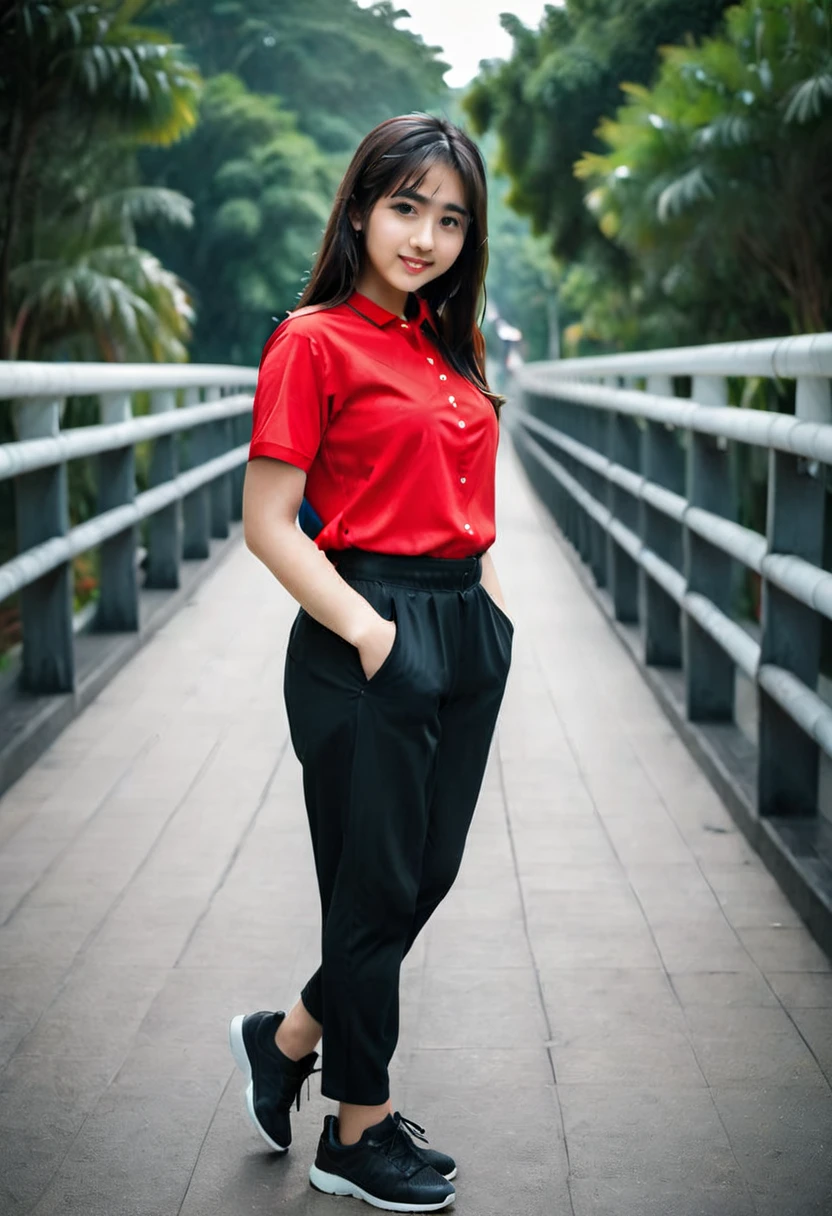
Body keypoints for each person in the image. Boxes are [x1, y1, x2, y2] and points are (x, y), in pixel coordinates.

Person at [229, 112, 514, 1213]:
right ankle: (357, 1127)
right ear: (358, 207)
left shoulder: (451, 341)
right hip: (365, 631)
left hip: (463, 627)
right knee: (373, 887)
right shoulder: (312, 339)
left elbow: (467, 496)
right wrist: (371, 631)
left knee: (416, 877)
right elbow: (267, 520)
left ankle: (288, 1035)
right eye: (405, 207)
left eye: (449, 218)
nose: (425, 236)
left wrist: (488, 614)